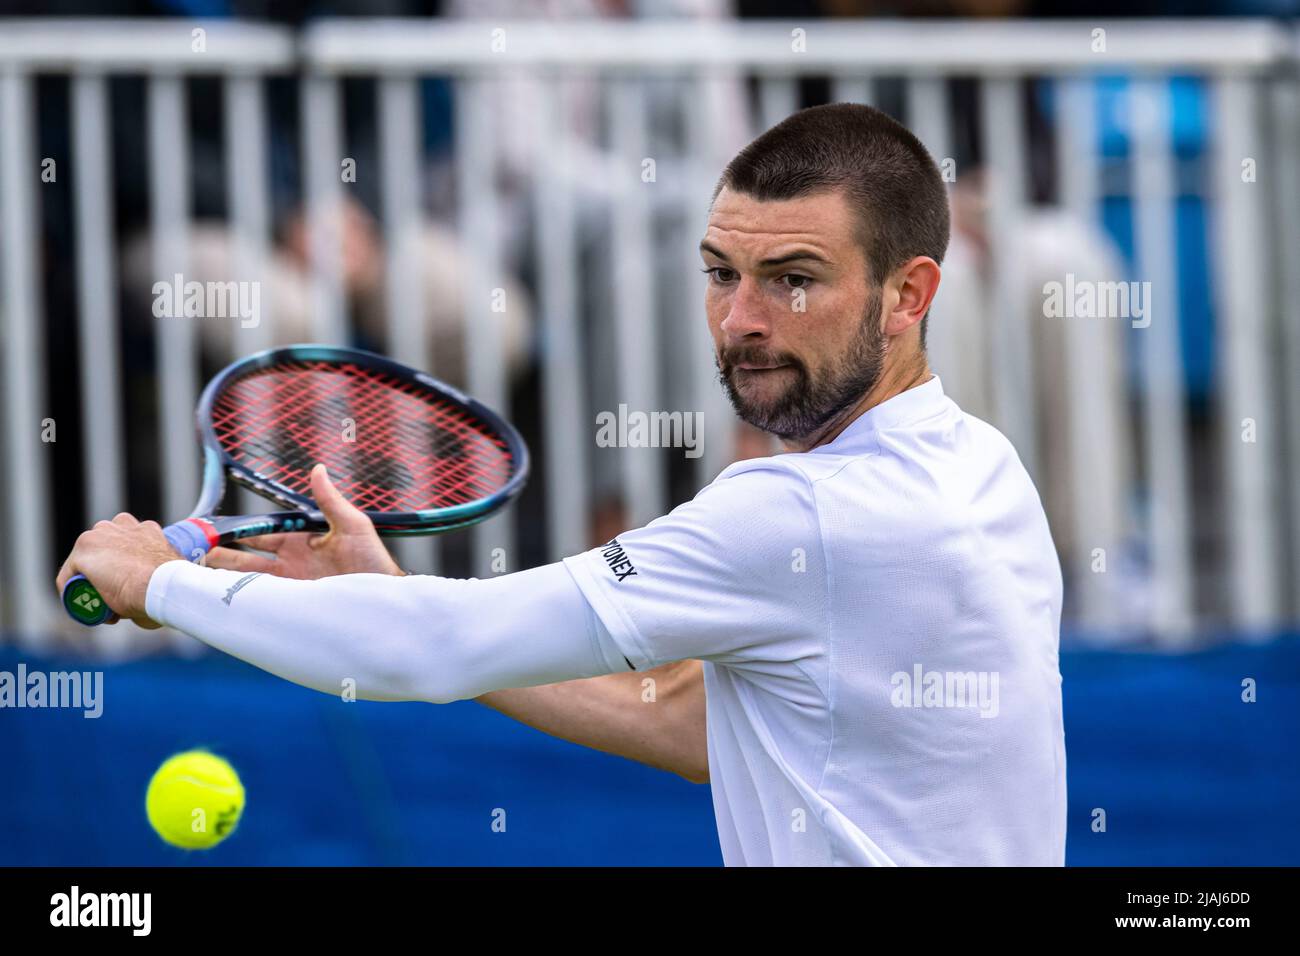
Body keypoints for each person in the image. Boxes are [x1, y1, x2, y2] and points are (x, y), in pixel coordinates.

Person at [55, 103, 1066, 867]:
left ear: (909, 294)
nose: (741, 321)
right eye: (721, 273)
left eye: (792, 279)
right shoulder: (984, 466)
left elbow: (435, 650)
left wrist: (159, 580)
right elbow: (698, 722)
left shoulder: (792, 515)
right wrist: (393, 592)